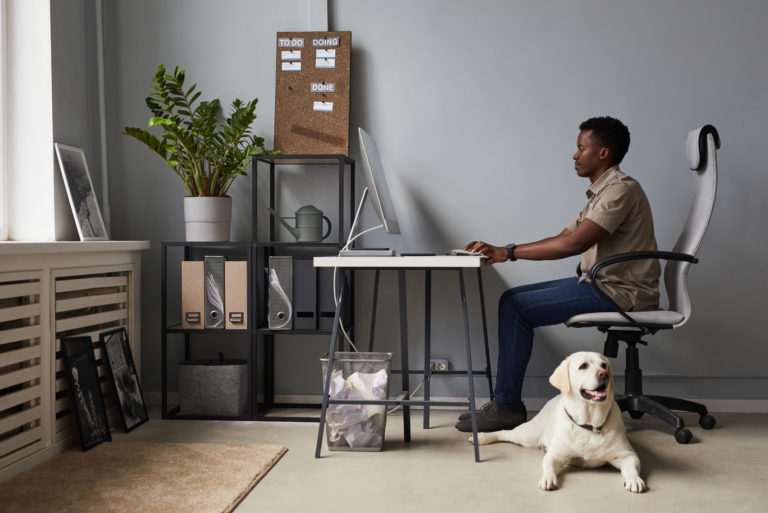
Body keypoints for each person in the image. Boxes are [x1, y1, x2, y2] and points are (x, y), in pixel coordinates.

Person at [455, 116, 660, 432]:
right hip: (602, 283)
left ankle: (507, 407)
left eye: (581, 148)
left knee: (516, 308)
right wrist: (502, 251)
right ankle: (504, 403)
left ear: (603, 153)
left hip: (620, 291)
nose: (575, 155)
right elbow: (562, 237)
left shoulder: (620, 190)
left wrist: (506, 253)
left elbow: (574, 244)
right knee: (511, 298)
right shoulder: (601, 193)